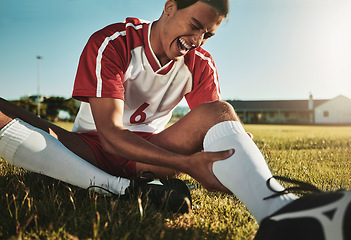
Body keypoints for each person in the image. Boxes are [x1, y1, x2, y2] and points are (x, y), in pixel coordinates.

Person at [0, 0, 350, 239]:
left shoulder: (200, 64)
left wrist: (234, 160)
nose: (197, 41)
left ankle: (281, 214)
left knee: (219, 111)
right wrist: (185, 163)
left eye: (207, 35)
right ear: (169, 7)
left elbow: (213, 129)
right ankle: (119, 190)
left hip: (147, 156)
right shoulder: (113, 42)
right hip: (87, 150)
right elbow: (109, 136)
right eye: (195, 25)